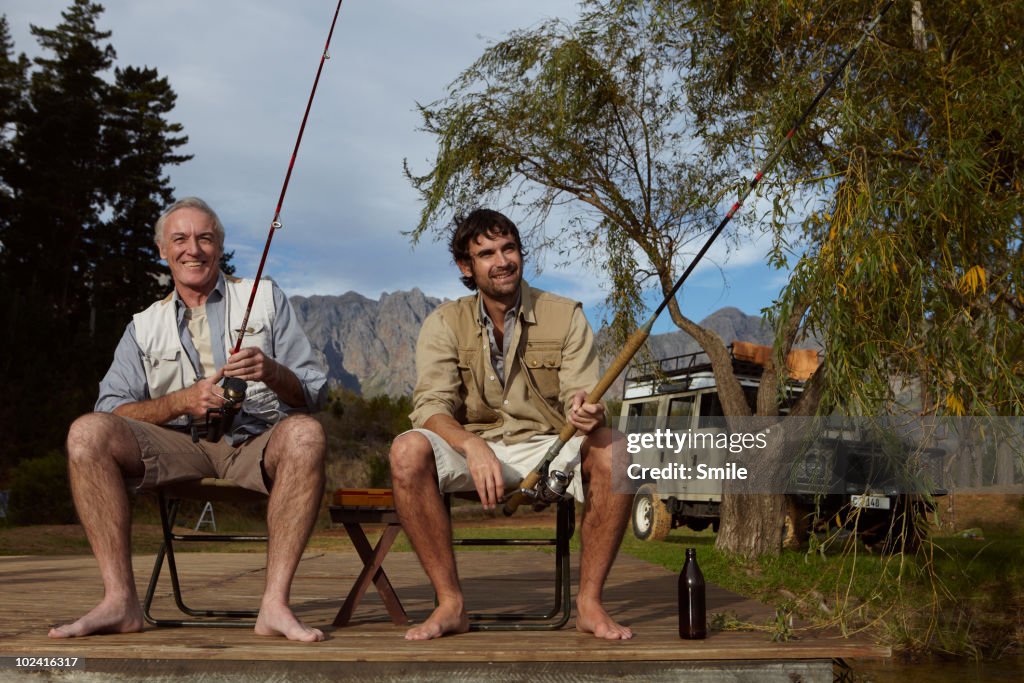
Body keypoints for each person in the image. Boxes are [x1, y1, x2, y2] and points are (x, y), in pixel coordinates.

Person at [50, 197, 328, 642]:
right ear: (163, 250)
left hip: (256, 442)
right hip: (176, 447)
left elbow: (314, 392)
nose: (192, 249)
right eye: (179, 239)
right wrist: (180, 401)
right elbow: (111, 409)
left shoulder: (266, 297)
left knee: (307, 435)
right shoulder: (143, 325)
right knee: (86, 433)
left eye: (204, 238)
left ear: (219, 247)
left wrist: (273, 371)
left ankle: (274, 606)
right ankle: (119, 602)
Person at [389, 208, 633, 641]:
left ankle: (590, 604)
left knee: (617, 450)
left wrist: (585, 408)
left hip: (551, 444)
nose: (502, 260)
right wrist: (470, 445)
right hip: (474, 447)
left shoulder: (566, 314)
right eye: (486, 253)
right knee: (406, 450)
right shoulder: (444, 322)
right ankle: (450, 604)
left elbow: (582, 391)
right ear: (467, 266)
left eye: (509, 248)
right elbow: (429, 406)